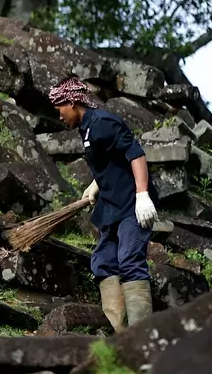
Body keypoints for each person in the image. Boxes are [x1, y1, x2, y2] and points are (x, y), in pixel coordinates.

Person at [48, 76, 157, 331]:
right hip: (110, 206)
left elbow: (136, 154)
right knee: (104, 263)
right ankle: (122, 334)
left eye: (60, 109)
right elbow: (110, 160)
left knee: (129, 260)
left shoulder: (104, 123)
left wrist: (142, 195)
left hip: (131, 204)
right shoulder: (85, 128)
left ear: (72, 102)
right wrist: (95, 185)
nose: (59, 116)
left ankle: (142, 340)